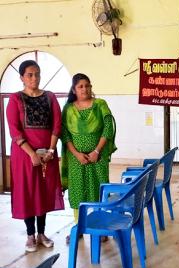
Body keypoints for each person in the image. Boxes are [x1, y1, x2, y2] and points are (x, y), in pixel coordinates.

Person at [6, 60, 64, 252]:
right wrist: (32, 154)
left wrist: (51, 150)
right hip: (24, 155)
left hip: (47, 154)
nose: (34, 78)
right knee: (28, 192)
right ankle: (30, 235)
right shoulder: (15, 99)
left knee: (44, 192)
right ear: (22, 77)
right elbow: (14, 130)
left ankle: (42, 233)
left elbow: (57, 124)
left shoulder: (50, 97)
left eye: (37, 74)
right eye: (30, 75)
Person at [61, 73, 116, 242]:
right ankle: (79, 227)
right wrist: (77, 154)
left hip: (96, 158)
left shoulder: (100, 105)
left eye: (88, 85)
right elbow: (65, 133)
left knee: (98, 190)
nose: (85, 89)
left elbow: (108, 128)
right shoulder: (69, 108)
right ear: (74, 90)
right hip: (76, 159)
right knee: (78, 191)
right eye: (81, 86)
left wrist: (97, 151)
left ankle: (100, 229)